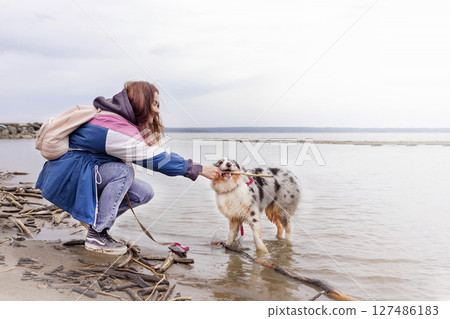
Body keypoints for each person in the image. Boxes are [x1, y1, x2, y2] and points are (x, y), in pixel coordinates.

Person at [36, 81, 220, 255]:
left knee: (143, 191)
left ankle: (95, 224)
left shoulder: (117, 121)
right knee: (124, 172)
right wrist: (199, 168)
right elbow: (155, 158)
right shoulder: (112, 127)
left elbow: (150, 152)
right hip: (68, 178)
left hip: (79, 176)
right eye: (154, 104)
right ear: (141, 102)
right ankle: (98, 235)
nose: (157, 111)